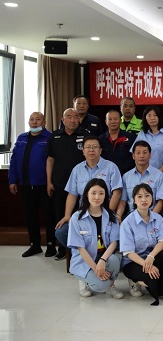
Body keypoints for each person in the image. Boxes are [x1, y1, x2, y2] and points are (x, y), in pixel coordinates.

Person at [54, 136, 123, 251]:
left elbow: (117, 192)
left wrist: (108, 213)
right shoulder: (77, 169)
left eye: (95, 147)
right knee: (61, 232)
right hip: (84, 214)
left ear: (100, 150)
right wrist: (67, 215)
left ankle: (102, 253)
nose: (91, 150)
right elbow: (72, 194)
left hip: (104, 212)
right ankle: (84, 254)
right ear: (83, 151)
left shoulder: (111, 167)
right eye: (88, 147)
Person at [67, 179, 122, 299]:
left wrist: (102, 260)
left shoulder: (111, 216)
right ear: (87, 194)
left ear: (105, 195)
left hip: (103, 257)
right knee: (101, 286)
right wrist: (95, 268)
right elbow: (80, 248)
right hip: (84, 261)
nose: (97, 197)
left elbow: (114, 243)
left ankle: (110, 286)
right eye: (93, 193)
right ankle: (84, 281)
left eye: (101, 193)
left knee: (114, 259)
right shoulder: (76, 218)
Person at [120, 183, 163, 305]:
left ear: (152, 198)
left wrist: (151, 257)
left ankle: (162, 289)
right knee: (150, 278)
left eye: (147, 195)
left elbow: (162, 241)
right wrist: (146, 264)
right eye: (139, 196)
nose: (144, 199)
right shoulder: (127, 222)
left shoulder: (158, 218)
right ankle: (134, 280)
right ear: (134, 200)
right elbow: (128, 252)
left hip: (151, 258)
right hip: (133, 261)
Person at [9, 112, 54, 257]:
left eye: (38, 119)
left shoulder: (50, 137)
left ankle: (51, 244)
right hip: (26, 184)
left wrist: (51, 182)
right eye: (32, 119)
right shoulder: (21, 138)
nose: (34, 122)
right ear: (29, 122)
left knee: (49, 216)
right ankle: (35, 245)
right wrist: (12, 180)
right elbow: (14, 159)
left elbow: (54, 160)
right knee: (30, 216)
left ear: (44, 122)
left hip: (45, 185)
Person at [46, 108, 87, 260]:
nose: (72, 120)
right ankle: (62, 249)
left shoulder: (86, 135)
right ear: (63, 120)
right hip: (59, 183)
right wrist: (49, 181)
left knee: (80, 216)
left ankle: (81, 248)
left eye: (75, 117)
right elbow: (50, 160)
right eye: (69, 117)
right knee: (60, 215)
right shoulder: (55, 136)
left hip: (81, 185)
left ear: (79, 119)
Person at [118, 141, 163, 220]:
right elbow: (123, 201)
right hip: (132, 216)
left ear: (150, 155)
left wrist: (150, 218)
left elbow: (161, 201)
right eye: (138, 153)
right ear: (133, 156)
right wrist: (118, 216)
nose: (141, 156)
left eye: (145, 152)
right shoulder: (126, 176)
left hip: (152, 216)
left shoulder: (159, 176)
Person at [134, 105, 163, 171]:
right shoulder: (142, 134)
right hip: (144, 172)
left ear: (159, 117)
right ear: (145, 118)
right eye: (149, 115)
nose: (152, 118)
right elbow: (135, 153)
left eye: (155, 115)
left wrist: (160, 172)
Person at [99, 109, 136, 175]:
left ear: (120, 120)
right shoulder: (100, 140)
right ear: (106, 122)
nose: (113, 121)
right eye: (110, 119)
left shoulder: (131, 137)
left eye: (115, 119)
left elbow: (134, 157)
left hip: (126, 174)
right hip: (105, 174)